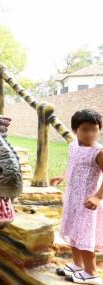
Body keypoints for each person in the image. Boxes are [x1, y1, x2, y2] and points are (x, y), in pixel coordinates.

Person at [52, 109, 103, 284]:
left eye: (95, 129)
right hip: (73, 199)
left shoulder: (98, 152)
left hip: (88, 203)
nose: (91, 134)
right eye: (85, 129)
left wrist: (97, 197)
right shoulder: (73, 145)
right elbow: (74, 165)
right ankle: (77, 264)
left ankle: (92, 273)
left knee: (85, 235)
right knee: (74, 231)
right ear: (75, 130)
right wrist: (62, 177)